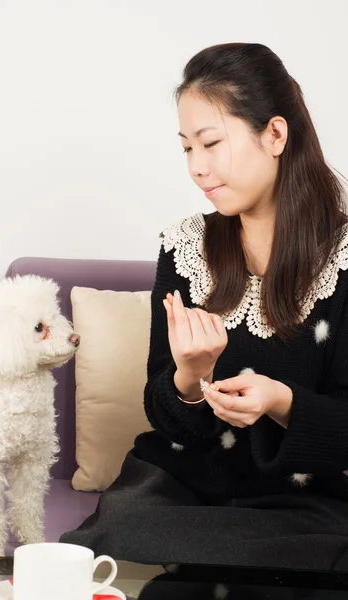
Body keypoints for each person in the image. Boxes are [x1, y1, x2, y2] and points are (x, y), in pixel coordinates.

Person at [60, 42, 348, 571]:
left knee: (312, 549)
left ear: (276, 135)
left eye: (211, 143)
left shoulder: (344, 259)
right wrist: (189, 379)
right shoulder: (185, 248)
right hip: (185, 487)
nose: (197, 167)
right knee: (126, 523)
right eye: (187, 148)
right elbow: (165, 418)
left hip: (304, 501)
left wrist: (282, 401)